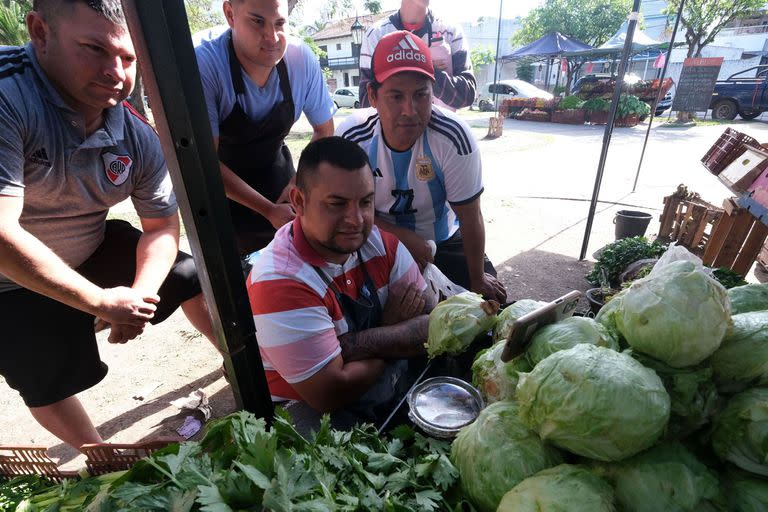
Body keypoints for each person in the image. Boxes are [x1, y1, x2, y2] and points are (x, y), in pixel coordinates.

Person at [0, 0, 215, 451]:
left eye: (129, 57)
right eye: (94, 49)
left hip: (87, 247)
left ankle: (249, 370)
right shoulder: (8, 98)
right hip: (6, 281)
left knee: (188, 273)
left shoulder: (135, 132)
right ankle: (101, 455)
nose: (116, 73)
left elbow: (160, 226)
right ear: (40, 32)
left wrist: (139, 296)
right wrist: (99, 300)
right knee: (40, 368)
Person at [247, 136, 434, 432]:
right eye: (337, 204)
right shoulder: (279, 281)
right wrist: (392, 330)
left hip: (372, 381)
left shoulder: (380, 244)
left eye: (365, 202)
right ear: (298, 202)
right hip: (305, 408)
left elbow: (431, 320)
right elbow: (330, 391)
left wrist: (353, 346)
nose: (356, 219)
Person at [339, 31, 506, 303]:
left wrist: (477, 279)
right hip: (371, 239)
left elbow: (470, 215)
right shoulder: (352, 138)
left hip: (444, 243)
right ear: (373, 95)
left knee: (487, 311)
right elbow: (346, 214)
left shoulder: (455, 137)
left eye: (420, 94)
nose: (410, 109)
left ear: (433, 92)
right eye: (396, 96)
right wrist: (400, 239)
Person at [195, 0, 336, 256]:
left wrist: (297, 182)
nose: (271, 37)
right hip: (218, 188)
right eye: (257, 21)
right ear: (230, 14)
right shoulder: (203, 63)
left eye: (280, 23)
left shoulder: (301, 61)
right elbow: (203, 163)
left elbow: (325, 132)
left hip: (277, 175)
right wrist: (268, 210)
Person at [358, 0, 475, 111]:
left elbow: (467, 95)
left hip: (442, 129)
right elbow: (366, 101)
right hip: (394, 130)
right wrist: (422, 67)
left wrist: (426, 71)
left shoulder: (451, 31)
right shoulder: (376, 35)